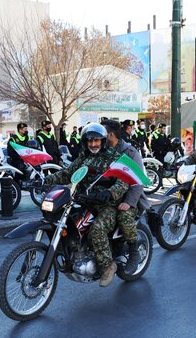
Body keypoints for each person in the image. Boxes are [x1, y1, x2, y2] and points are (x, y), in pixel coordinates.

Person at [44, 123, 129, 287]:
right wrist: (45, 181)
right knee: (69, 224)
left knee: (96, 230)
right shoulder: (83, 157)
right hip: (84, 200)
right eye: (90, 141)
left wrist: (110, 193)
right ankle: (75, 253)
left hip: (106, 204)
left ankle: (107, 266)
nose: (93, 144)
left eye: (97, 140)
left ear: (103, 141)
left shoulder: (114, 157)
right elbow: (67, 173)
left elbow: (123, 180)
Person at [103, 120, 151, 275]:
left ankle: (134, 250)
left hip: (130, 198)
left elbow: (137, 180)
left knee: (124, 216)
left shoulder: (130, 152)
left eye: (102, 132)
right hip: (107, 197)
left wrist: (129, 202)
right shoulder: (103, 150)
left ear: (110, 134)